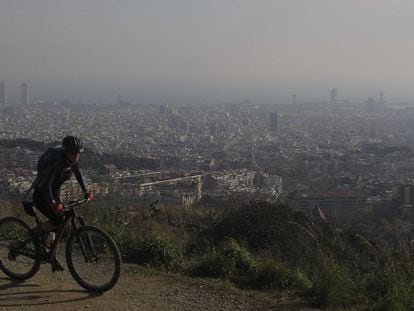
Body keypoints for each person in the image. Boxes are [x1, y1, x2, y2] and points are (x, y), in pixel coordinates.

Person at [32, 135, 91, 272]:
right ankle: (36, 232)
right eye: (73, 153)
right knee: (58, 220)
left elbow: (78, 175)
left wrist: (86, 191)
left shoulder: (71, 161)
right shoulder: (56, 162)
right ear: (65, 152)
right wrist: (54, 203)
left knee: (62, 222)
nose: (76, 156)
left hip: (54, 191)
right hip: (42, 194)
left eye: (78, 153)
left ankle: (52, 253)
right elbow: (47, 185)